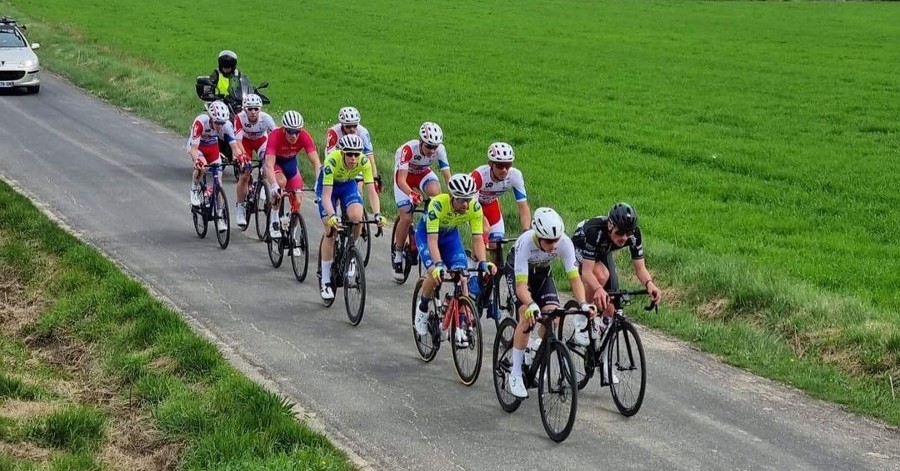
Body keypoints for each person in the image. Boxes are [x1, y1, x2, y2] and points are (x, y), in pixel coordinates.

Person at [504, 207, 595, 398]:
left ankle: (534, 349)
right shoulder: (525, 243)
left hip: (543, 274)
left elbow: (574, 278)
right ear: (538, 235)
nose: (554, 245)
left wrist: (583, 304)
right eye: (548, 241)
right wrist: (530, 304)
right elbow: (521, 286)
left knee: (553, 317)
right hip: (519, 272)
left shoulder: (565, 243)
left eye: (556, 240)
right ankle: (515, 373)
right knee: (526, 317)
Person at [413, 174, 497, 347]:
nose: (465, 205)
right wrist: (437, 265)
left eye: (468, 199)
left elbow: (477, 239)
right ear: (452, 197)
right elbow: (432, 241)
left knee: (463, 276)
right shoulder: (437, 204)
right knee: (435, 274)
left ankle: (461, 322)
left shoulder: (474, 208)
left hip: (450, 237)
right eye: (461, 200)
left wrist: (483, 262)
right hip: (428, 236)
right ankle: (422, 309)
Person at [317, 134, 386, 300]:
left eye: (357, 154)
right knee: (330, 231)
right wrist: (333, 215)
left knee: (357, 217)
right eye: (350, 154)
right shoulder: (332, 161)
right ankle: (325, 279)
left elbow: (371, 190)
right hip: (328, 188)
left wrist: (377, 214)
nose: (354, 159)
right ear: (342, 153)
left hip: (348, 185)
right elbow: (326, 196)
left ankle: (351, 251)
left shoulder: (364, 161)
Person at [470, 142, 531, 319]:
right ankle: (475, 268)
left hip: (490, 207)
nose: (504, 169)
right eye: (500, 165)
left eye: (508, 165)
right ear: (490, 164)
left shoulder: (515, 176)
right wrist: (482, 229)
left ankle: (490, 292)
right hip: (471, 206)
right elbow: (474, 210)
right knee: (483, 232)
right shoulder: (479, 176)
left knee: (497, 246)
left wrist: (526, 231)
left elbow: (523, 208)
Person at [572, 202, 662, 319]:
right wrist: (598, 289)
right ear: (610, 226)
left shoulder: (634, 235)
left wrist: (649, 284)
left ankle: (602, 328)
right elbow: (587, 272)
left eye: (628, 233)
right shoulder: (595, 231)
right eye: (620, 232)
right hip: (581, 247)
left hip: (603, 250)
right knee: (601, 275)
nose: (624, 237)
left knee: (611, 308)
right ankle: (583, 315)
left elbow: (640, 268)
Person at [392, 122, 452, 281]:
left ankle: (428, 225)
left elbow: (447, 176)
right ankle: (398, 253)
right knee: (406, 217)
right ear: (420, 141)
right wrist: (411, 194)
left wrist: (455, 194)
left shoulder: (440, 150)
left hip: (423, 174)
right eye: (428, 147)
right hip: (404, 178)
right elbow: (401, 180)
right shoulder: (408, 150)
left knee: (436, 193)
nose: (432, 150)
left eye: (435, 147)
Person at [186, 101, 246, 232]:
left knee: (218, 182)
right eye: (217, 123)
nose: (220, 126)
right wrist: (197, 160)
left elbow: (234, 147)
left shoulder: (227, 125)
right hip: (198, 147)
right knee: (202, 167)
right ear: (211, 118)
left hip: (212, 148)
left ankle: (220, 216)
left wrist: (240, 157)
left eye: (222, 123)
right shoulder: (201, 122)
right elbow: (193, 149)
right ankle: (194, 189)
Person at [263, 110, 321, 239]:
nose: (294, 135)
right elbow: (269, 165)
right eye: (290, 131)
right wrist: (273, 185)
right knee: (281, 183)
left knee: (297, 201)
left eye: (297, 132)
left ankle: (292, 235)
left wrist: (318, 182)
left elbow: (316, 162)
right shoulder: (275, 136)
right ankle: (274, 217)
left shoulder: (305, 136)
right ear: (284, 129)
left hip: (290, 164)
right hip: (276, 163)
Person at [233, 93, 277, 228]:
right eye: (250, 109)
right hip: (244, 142)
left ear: (260, 109)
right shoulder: (239, 118)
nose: (253, 112)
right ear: (245, 109)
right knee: (245, 173)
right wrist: (243, 157)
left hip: (261, 141)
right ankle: (240, 207)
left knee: (266, 162)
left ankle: (262, 185)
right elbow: (238, 141)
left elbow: (276, 136)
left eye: (256, 109)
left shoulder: (266, 118)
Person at [324, 107, 382, 190]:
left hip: (355, 159)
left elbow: (370, 157)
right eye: (348, 126)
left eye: (355, 126)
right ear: (342, 125)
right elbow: (330, 158)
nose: (352, 129)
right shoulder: (334, 132)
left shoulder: (363, 132)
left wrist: (375, 178)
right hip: (338, 157)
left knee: (358, 187)